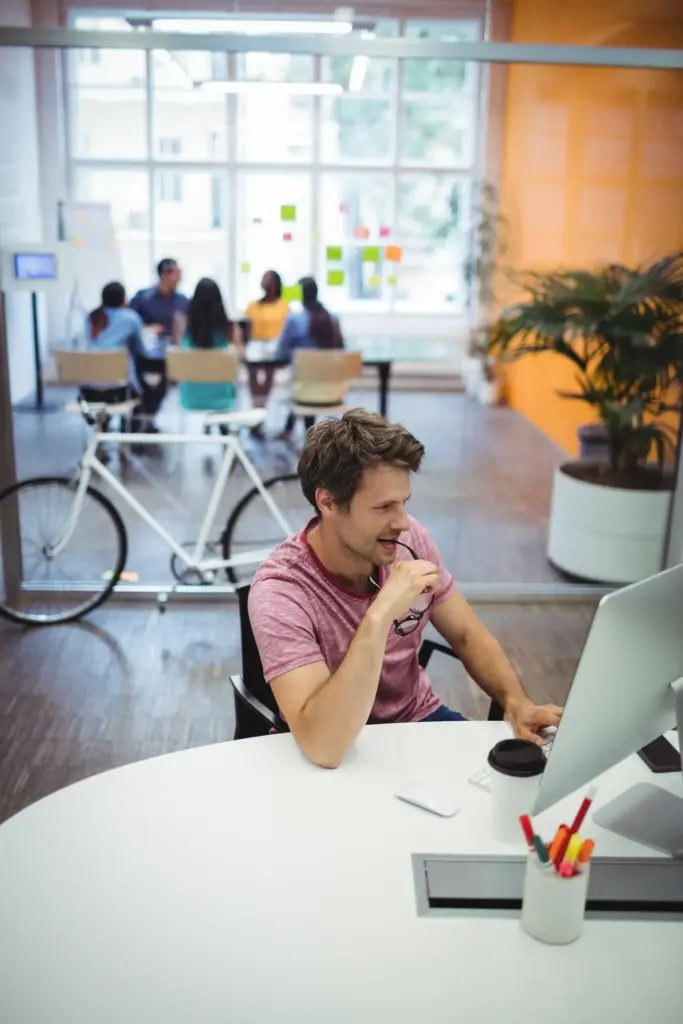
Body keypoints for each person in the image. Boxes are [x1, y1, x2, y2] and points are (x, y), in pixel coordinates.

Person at [249, 410, 562, 769]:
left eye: (403, 503)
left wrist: (516, 702)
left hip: (417, 720)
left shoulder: (408, 540)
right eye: (384, 507)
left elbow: (465, 634)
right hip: (334, 743)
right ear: (328, 502)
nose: (402, 523)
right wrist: (380, 613)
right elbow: (324, 746)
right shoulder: (280, 591)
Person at [275, 276, 344, 441]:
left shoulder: (294, 319)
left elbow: (281, 348)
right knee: (306, 382)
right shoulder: (332, 318)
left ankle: (302, 436)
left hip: (303, 384)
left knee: (302, 382)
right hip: (331, 386)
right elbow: (341, 348)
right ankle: (291, 430)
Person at [81, 281, 144, 459]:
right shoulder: (131, 318)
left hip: (89, 390)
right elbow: (141, 349)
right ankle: (129, 435)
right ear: (124, 300)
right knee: (139, 389)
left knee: (105, 386)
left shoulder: (91, 317)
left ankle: (101, 430)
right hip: (118, 389)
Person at [129, 258, 189, 427]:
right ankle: (141, 417)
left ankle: (148, 418)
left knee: (163, 385)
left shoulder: (182, 301)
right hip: (145, 352)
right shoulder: (143, 298)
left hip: (172, 353)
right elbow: (129, 323)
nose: (180, 277)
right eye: (177, 273)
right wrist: (147, 328)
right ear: (164, 274)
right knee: (143, 385)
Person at [173, 277, 240, 416]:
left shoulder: (183, 326)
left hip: (190, 399)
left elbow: (178, 357)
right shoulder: (230, 329)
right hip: (223, 399)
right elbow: (237, 360)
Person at [243, 270, 290, 436]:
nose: (267, 285)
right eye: (265, 281)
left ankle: (260, 407)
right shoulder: (253, 306)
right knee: (253, 368)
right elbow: (246, 329)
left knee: (269, 369)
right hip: (255, 347)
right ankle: (257, 405)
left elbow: (286, 333)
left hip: (275, 348)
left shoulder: (284, 306)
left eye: (271, 281)